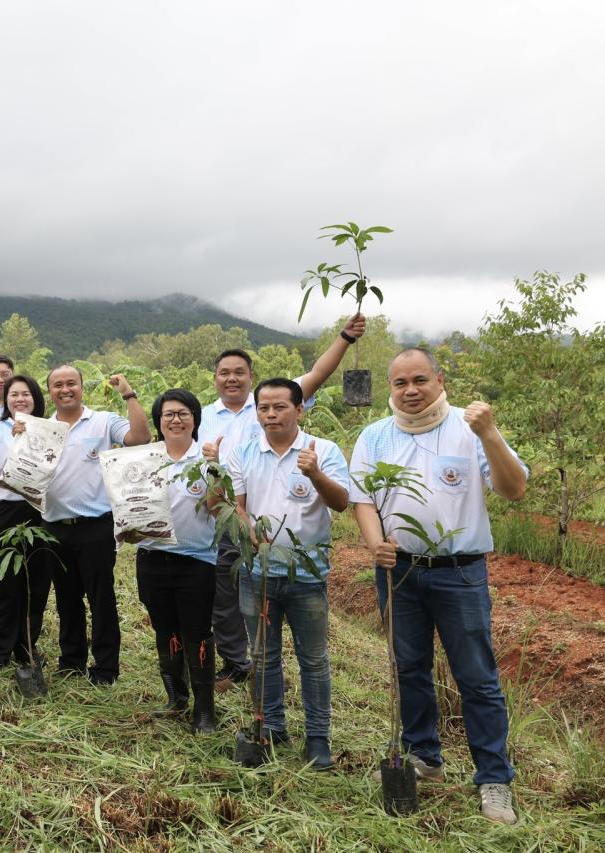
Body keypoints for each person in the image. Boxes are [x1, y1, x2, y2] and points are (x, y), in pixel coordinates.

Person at [350, 348, 527, 825]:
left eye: (420, 380)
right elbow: (363, 498)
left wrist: (490, 433)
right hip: (400, 573)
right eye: (400, 382)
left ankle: (494, 778)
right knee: (409, 668)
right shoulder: (375, 436)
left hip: (460, 572)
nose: (410, 391)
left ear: (439, 380)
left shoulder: (469, 429)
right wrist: (375, 544)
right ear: (390, 387)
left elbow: (513, 489)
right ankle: (424, 757)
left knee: (477, 677)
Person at [200, 314, 366, 691]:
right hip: (230, 516)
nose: (231, 378)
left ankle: (269, 676)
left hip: (287, 536)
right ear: (215, 378)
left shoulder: (272, 400)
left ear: (251, 376)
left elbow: (318, 374)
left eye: (239, 372)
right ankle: (239, 664)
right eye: (224, 372)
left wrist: (344, 336)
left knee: (294, 630)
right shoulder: (203, 415)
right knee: (226, 597)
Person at [224, 378, 349, 769]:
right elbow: (237, 505)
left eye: (279, 407)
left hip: (306, 576)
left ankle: (318, 738)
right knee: (263, 656)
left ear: (299, 409)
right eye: (264, 408)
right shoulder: (244, 452)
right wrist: (248, 530)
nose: (271, 414)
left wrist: (315, 474)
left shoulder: (322, 451)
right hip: (257, 574)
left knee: (313, 659)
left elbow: (341, 502)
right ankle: (271, 727)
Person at [38, 365, 151, 685]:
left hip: (96, 526)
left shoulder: (103, 421)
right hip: (54, 526)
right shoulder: (43, 429)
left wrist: (128, 394)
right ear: (50, 391)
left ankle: (105, 667)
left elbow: (140, 438)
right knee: (66, 598)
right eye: (58, 385)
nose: (65, 389)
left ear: (81, 386)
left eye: (71, 383)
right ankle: (71, 661)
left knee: (101, 598)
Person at [134, 389, 219, 732]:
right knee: (164, 628)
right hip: (152, 557)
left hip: (196, 560)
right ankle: (176, 697)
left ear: (195, 419)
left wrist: (215, 471)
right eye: (168, 414)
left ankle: (205, 709)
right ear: (159, 421)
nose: (175, 420)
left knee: (197, 633)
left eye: (183, 413)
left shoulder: (207, 458)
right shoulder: (145, 459)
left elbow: (217, 509)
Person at [0, 374, 52, 668]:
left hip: (39, 511)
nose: (20, 399)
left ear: (36, 397)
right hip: (3, 510)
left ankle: (26, 646)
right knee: (1, 579)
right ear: (5, 400)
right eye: (14, 394)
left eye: (26, 394)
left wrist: (31, 435)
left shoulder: (50, 428)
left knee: (36, 581)